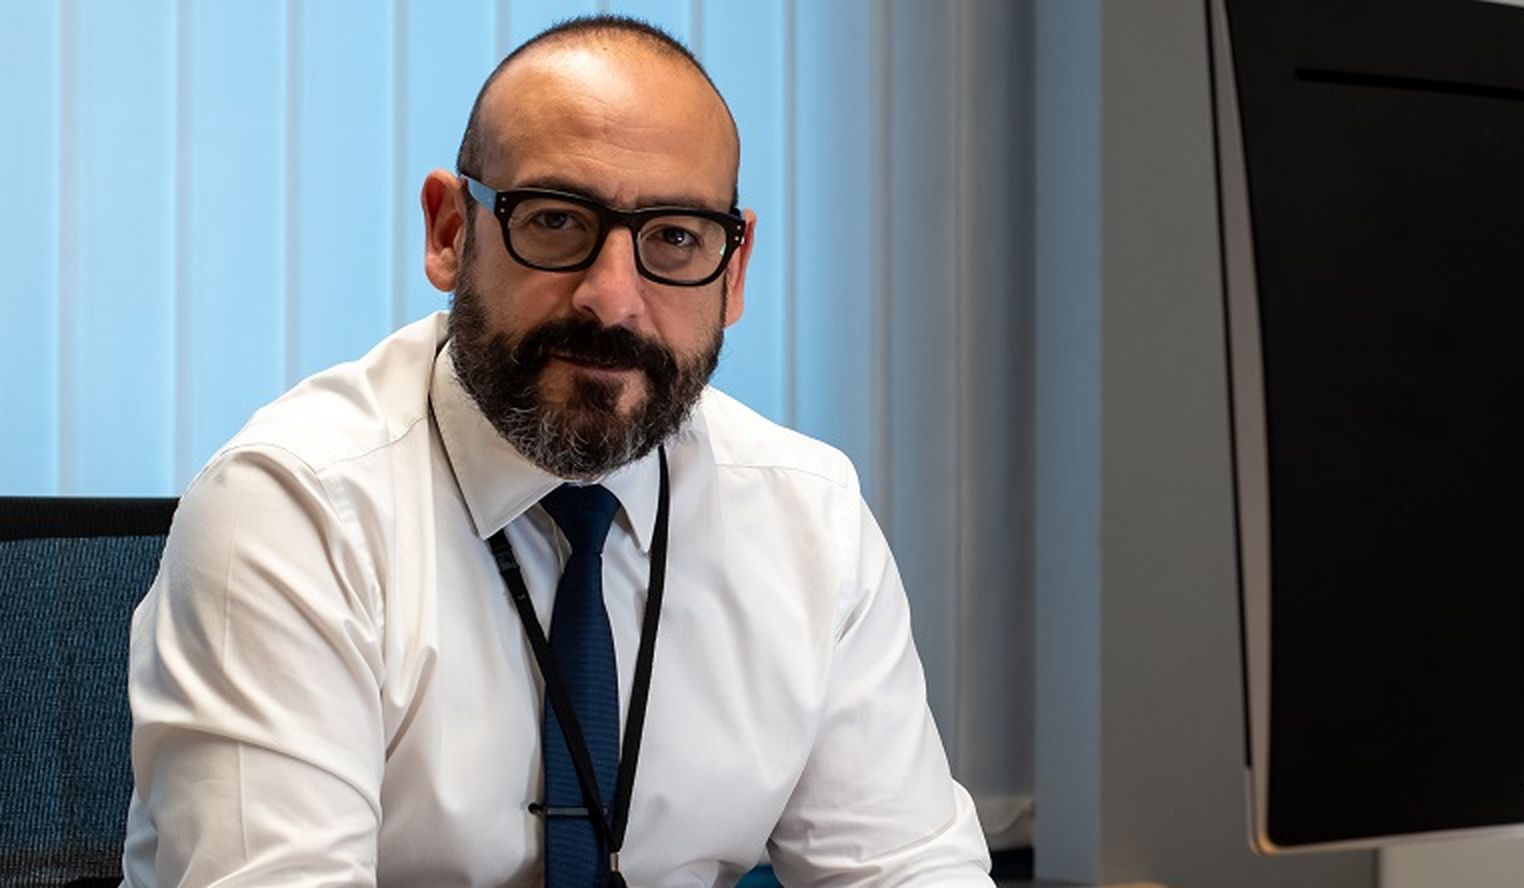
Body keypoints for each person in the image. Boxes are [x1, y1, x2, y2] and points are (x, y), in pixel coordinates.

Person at [121, 15, 992, 887]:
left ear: (732, 272)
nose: (612, 300)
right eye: (554, 221)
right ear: (449, 233)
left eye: (675, 238)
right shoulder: (293, 510)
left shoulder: (811, 516)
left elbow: (907, 867)